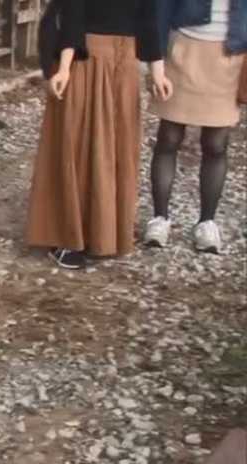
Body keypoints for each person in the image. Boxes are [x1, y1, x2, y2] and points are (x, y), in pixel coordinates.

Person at [26, 0, 173, 270]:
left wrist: (158, 72)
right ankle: (67, 237)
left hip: (125, 65)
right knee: (79, 145)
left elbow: (149, 21)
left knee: (116, 150)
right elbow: (73, 14)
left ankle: (105, 234)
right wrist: (64, 68)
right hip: (88, 61)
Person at [144, 0, 246, 254]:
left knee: (216, 144)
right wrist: (156, 61)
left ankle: (207, 222)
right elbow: (160, 8)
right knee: (169, 137)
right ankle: (160, 219)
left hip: (230, 55)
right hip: (183, 49)